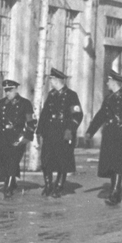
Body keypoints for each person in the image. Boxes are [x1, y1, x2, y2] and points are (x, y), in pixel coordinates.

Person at [85, 69, 122, 206]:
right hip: (109, 135)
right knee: (110, 164)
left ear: (115, 82)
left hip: (121, 135)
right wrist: (90, 132)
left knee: (117, 164)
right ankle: (115, 190)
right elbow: (100, 116)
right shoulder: (109, 98)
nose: (107, 83)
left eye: (109, 80)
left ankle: (115, 193)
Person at [0, 78, 35, 198]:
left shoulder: (25, 103)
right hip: (3, 137)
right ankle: (11, 181)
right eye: (6, 90)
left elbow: (31, 122)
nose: (7, 93)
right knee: (4, 162)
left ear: (16, 90)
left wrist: (27, 136)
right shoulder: (1, 104)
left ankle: (9, 186)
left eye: (10, 90)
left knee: (13, 160)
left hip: (18, 137)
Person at [35, 68, 83, 198]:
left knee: (63, 160)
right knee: (46, 160)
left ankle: (59, 186)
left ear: (57, 80)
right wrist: (39, 132)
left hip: (63, 132)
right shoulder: (51, 95)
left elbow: (77, 115)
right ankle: (48, 185)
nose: (50, 81)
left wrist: (70, 129)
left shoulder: (71, 95)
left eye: (51, 79)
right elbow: (44, 114)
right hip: (50, 131)